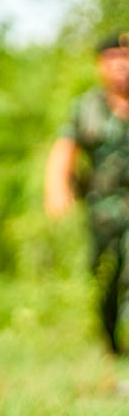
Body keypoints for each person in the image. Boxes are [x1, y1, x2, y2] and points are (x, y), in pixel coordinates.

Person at [44, 30, 129, 363]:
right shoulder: (87, 107)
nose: (122, 68)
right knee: (105, 274)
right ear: (100, 66)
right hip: (102, 208)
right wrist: (56, 188)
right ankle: (111, 339)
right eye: (114, 60)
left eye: (126, 60)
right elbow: (64, 148)